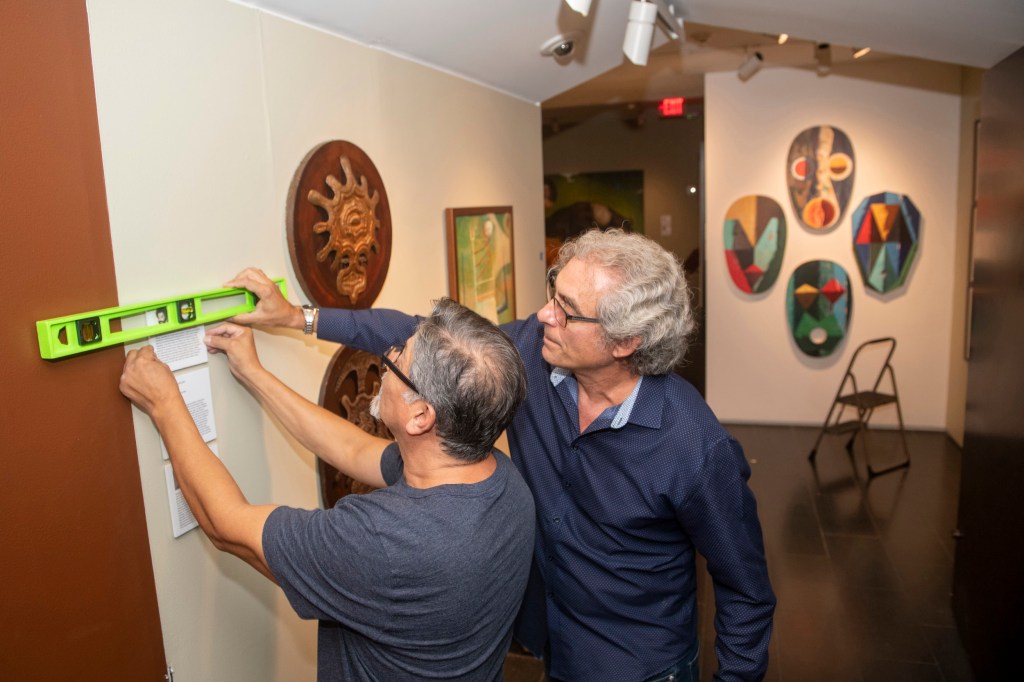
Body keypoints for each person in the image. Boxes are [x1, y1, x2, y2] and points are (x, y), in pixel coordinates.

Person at [229, 227, 775, 681]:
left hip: (637, 663)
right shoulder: (532, 360)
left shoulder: (694, 447)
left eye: (567, 310)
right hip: (552, 640)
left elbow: (745, 590)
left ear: (624, 342)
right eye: (553, 293)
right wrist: (297, 317)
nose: (544, 315)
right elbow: (427, 338)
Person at [119, 297, 535, 682]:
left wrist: (165, 404)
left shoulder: (384, 542)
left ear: (421, 416)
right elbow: (353, 448)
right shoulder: (499, 478)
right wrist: (254, 374)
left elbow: (225, 523)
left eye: (397, 358)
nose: (386, 356)